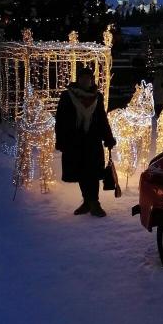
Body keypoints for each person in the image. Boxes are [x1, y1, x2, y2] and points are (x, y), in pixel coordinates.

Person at [55, 67, 116, 217]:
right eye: (82, 78)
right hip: (74, 141)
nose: (85, 80)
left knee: (93, 173)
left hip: (92, 141)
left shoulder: (97, 97)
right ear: (78, 79)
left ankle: (95, 203)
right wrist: (61, 140)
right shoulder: (67, 96)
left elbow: (102, 119)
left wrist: (108, 137)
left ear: (91, 80)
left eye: (88, 78)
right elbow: (61, 120)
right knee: (81, 173)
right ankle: (87, 202)